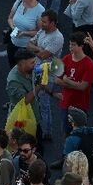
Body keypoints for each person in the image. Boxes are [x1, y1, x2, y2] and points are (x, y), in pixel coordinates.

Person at [29, 10, 65, 139]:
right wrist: (39, 49)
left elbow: (44, 55)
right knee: (37, 98)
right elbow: (29, 45)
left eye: (44, 22)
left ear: (53, 23)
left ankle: (46, 131)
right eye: (41, 21)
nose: (41, 23)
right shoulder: (42, 31)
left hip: (47, 72)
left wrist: (37, 49)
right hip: (38, 68)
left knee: (44, 102)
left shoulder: (58, 38)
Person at [58, 32, 93, 135]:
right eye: (70, 44)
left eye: (73, 45)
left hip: (80, 105)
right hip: (66, 103)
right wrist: (73, 84)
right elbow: (57, 80)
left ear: (81, 46)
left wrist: (67, 81)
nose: (70, 47)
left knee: (79, 134)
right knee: (66, 132)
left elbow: (83, 86)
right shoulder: (66, 59)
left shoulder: (89, 64)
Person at [6, 49, 43, 141]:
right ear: (22, 64)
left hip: (33, 116)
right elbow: (25, 100)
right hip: (22, 121)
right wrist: (40, 85)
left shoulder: (27, 70)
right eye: (32, 62)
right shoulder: (13, 81)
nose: (35, 64)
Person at [6, 0, 44, 67]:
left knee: (25, 72)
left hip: (27, 48)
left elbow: (40, 32)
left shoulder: (40, 10)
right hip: (12, 44)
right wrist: (13, 28)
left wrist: (24, 33)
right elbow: (10, 18)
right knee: (12, 68)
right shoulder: (19, 1)